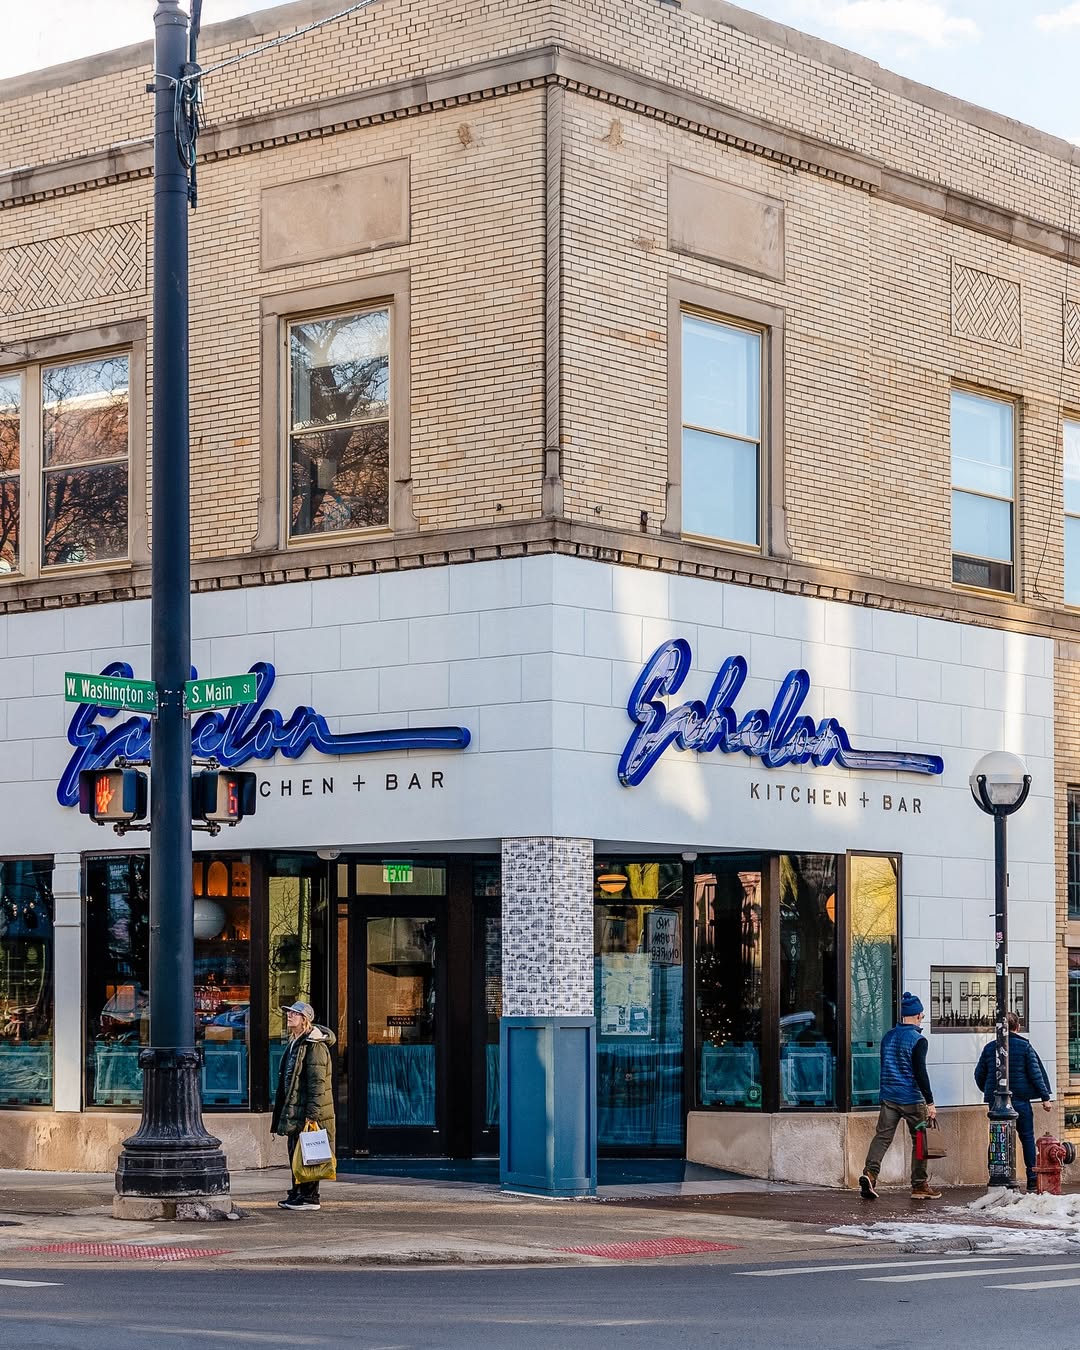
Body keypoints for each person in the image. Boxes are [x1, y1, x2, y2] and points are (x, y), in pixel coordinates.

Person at [858, 991, 941, 1201]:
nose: (922, 1018)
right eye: (921, 1015)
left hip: (889, 1097)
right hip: (912, 1099)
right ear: (917, 1015)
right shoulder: (918, 1040)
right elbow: (920, 1073)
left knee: (882, 1137)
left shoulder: (888, 1037)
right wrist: (930, 1102)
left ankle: (870, 1173)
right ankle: (919, 1184)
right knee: (920, 1141)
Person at [974, 1011, 1053, 1191]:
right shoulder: (1025, 1047)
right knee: (1026, 1138)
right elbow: (1036, 1073)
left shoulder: (989, 1048)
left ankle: (996, 1173)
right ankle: (1032, 1178)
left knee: (997, 1138)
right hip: (1021, 1100)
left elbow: (979, 1075)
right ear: (1017, 1027)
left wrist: (990, 1091)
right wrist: (1045, 1098)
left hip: (996, 1101)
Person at [271, 1000, 336, 1211]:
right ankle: (298, 1192)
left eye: (294, 1014)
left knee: (307, 1151)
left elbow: (318, 1083)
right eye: (289, 1013)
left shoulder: (314, 1046)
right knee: (297, 1151)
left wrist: (312, 1114)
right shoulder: (296, 1042)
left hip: (307, 1110)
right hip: (296, 1107)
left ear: (305, 1019)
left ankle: (309, 1197)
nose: (289, 1016)